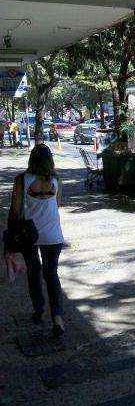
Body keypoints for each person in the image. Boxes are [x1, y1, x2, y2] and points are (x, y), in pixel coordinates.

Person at [6, 144, 65, 337]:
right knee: (52, 275)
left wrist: (10, 240)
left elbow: (14, 211)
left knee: (34, 272)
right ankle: (57, 319)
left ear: (31, 159)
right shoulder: (57, 180)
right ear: (50, 160)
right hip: (53, 235)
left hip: (29, 235)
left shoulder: (22, 180)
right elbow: (57, 205)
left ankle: (39, 310)